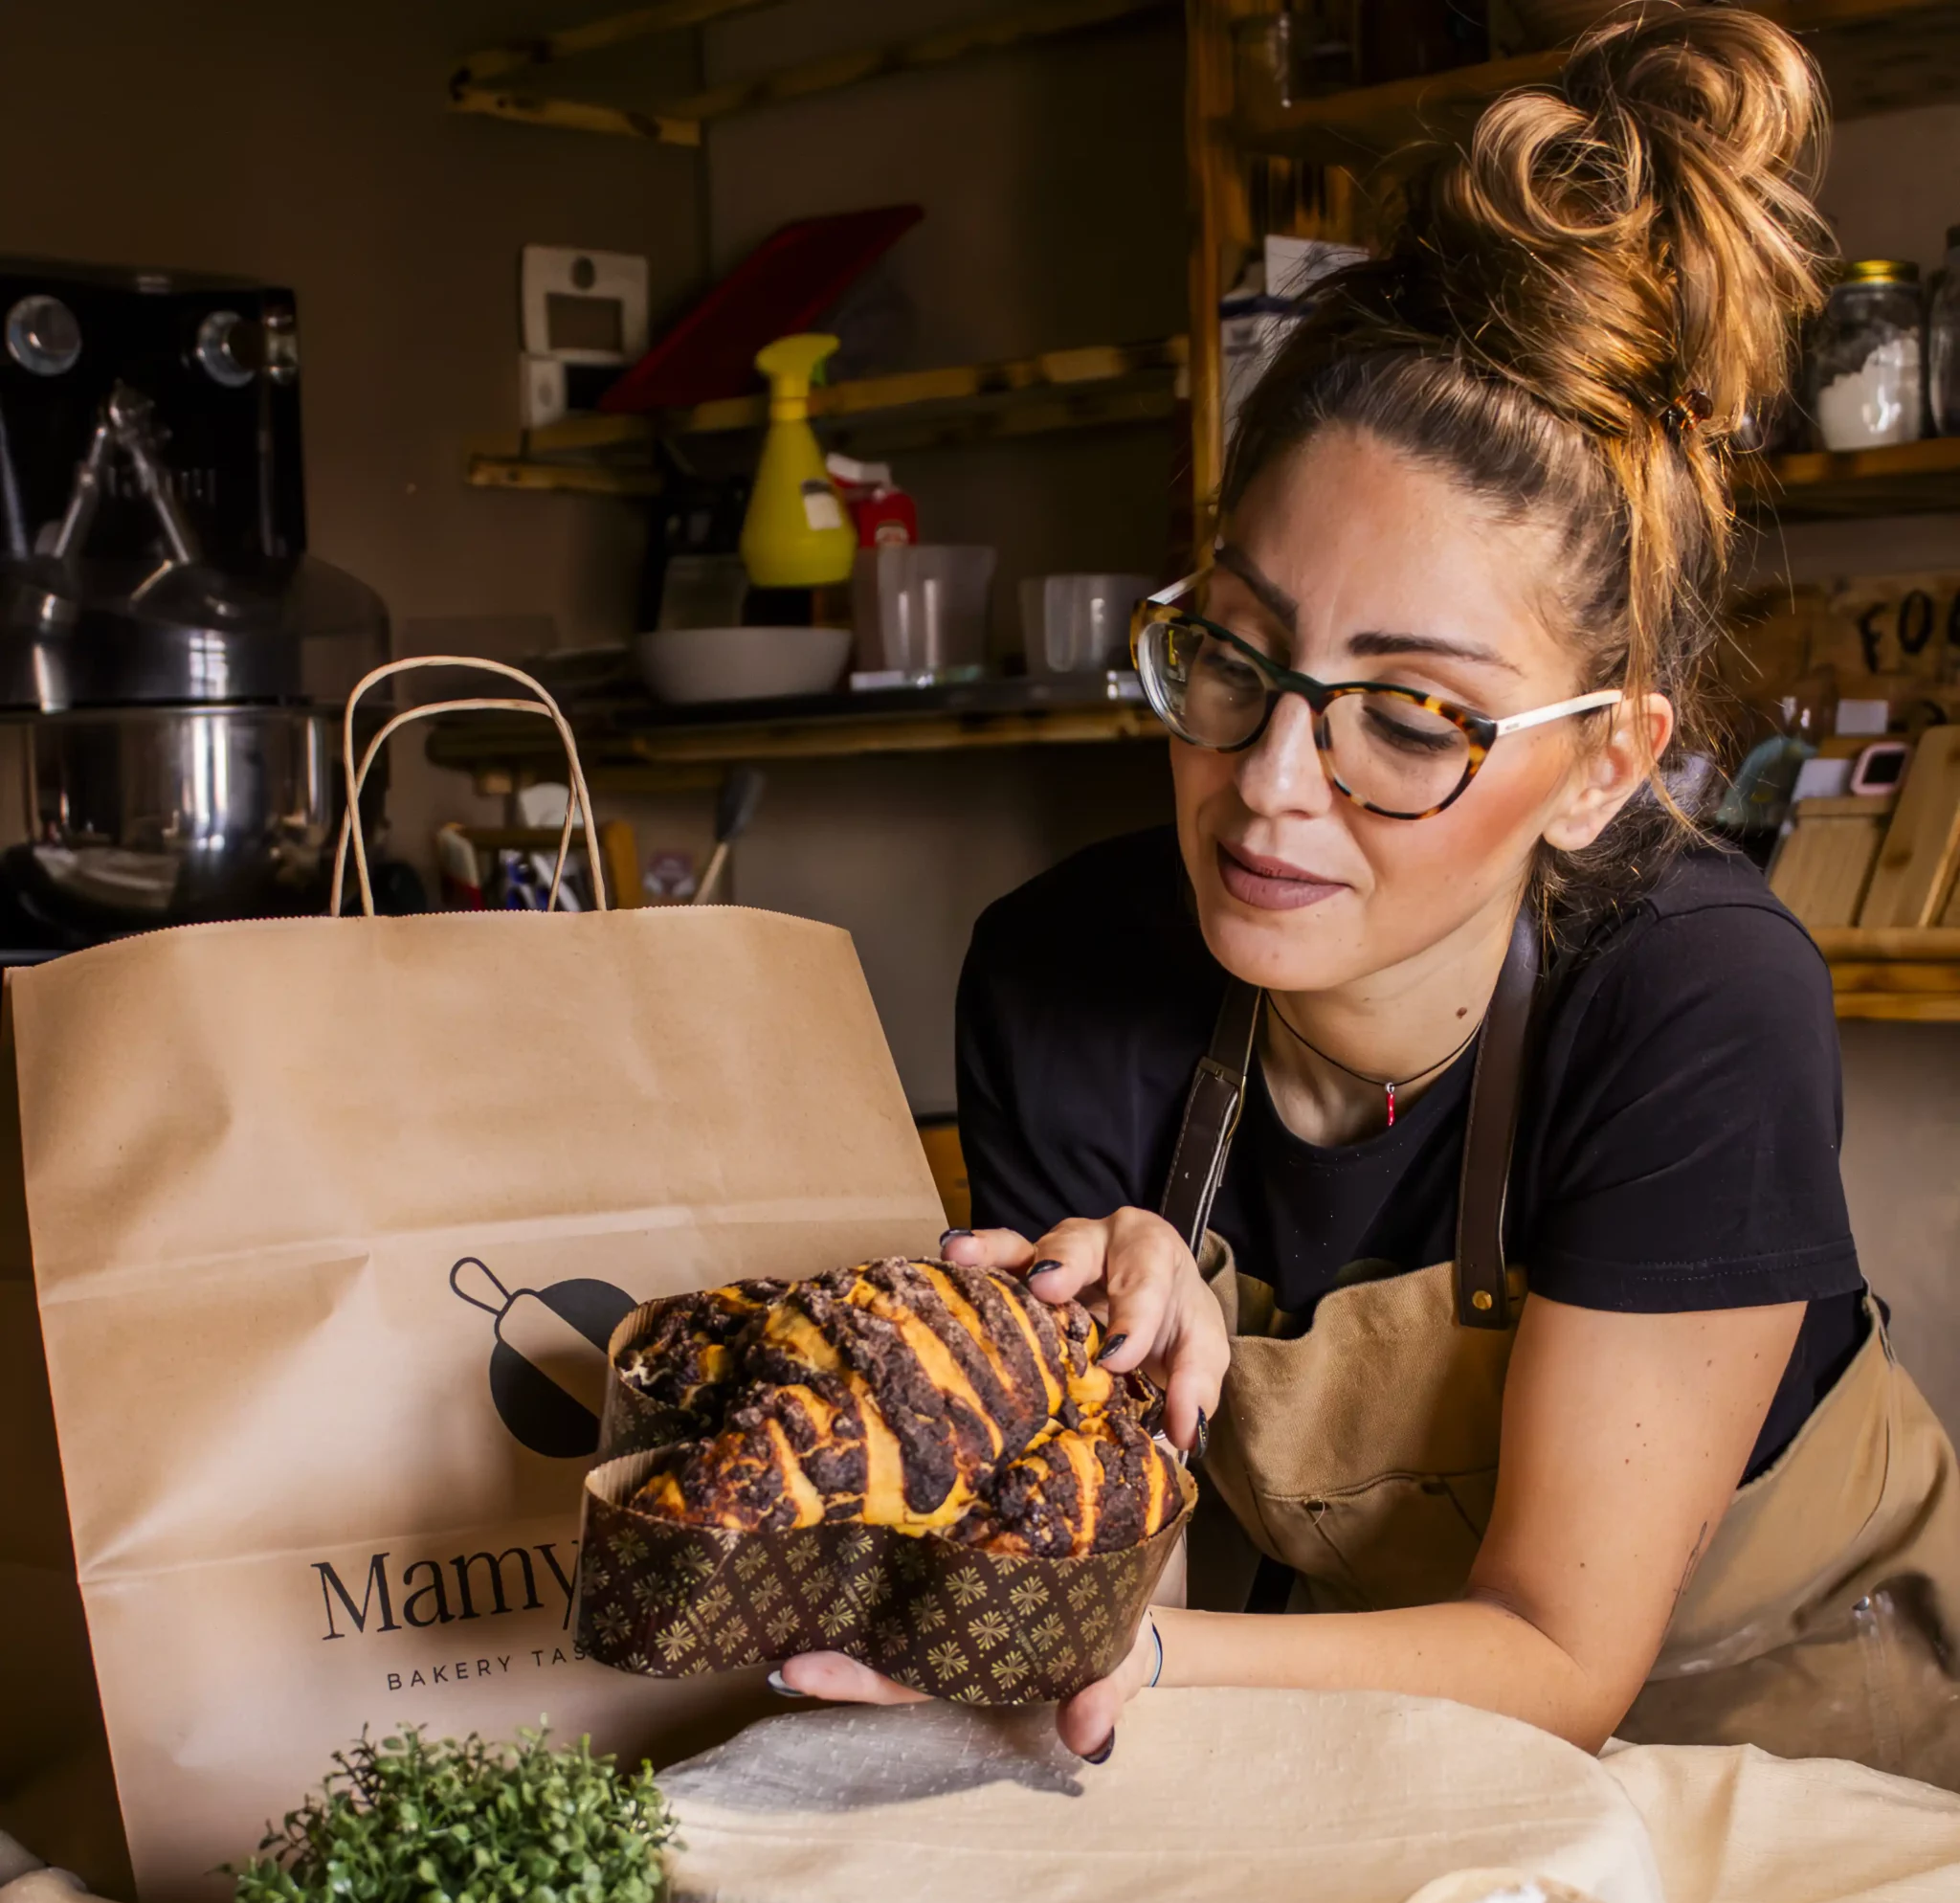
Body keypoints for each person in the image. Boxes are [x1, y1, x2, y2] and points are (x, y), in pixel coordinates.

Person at [780, 3, 1960, 1784]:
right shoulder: (1060, 973)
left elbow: (1560, 1651)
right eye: (1236, 657)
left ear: (1609, 764)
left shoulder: (1699, 993)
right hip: (1347, 1705)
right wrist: (1095, 1372)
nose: (1267, 784)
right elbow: (1102, 1590)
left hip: (1784, 1718)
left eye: (1411, 721)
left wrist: (1133, 1653)